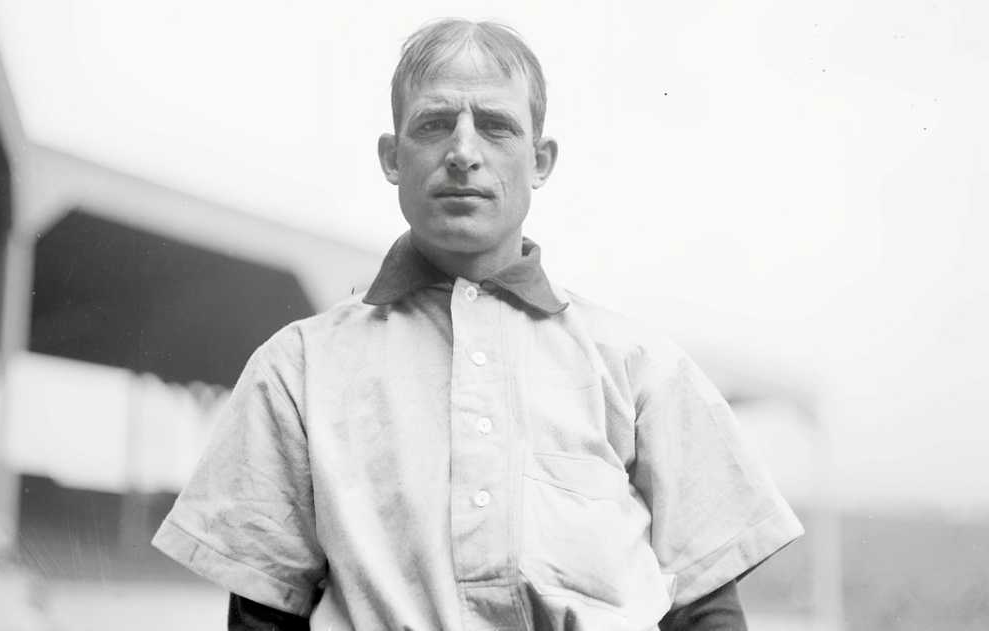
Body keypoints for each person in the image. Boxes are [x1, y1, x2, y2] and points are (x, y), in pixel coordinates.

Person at [153, 19, 803, 631]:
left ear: (541, 160)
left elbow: (704, 604)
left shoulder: (636, 364)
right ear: (391, 156)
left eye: (495, 126)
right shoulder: (297, 367)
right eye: (434, 124)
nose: (463, 152)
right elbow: (264, 612)